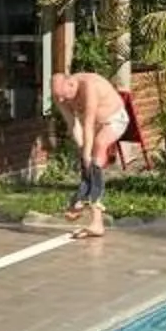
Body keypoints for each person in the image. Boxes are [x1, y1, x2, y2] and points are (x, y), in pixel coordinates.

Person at [50, 68, 128, 240]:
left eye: (64, 96)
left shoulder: (89, 86)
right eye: (58, 97)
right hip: (92, 128)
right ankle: (81, 201)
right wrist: (82, 149)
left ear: (71, 84)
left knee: (96, 151)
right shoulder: (60, 94)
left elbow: (88, 122)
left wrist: (87, 154)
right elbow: (73, 124)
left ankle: (94, 216)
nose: (61, 100)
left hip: (113, 120)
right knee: (87, 162)